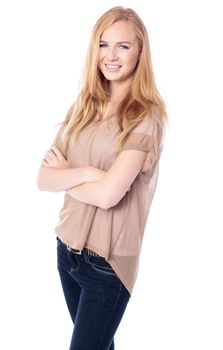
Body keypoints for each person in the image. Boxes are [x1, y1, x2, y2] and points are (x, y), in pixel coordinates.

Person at [37, 6, 167, 350]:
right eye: (103, 44)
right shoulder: (85, 105)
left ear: (140, 52)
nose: (111, 56)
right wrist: (87, 174)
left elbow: (110, 196)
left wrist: (67, 178)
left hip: (107, 266)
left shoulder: (146, 117)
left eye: (123, 46)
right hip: (66, 251)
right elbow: (43, 178)